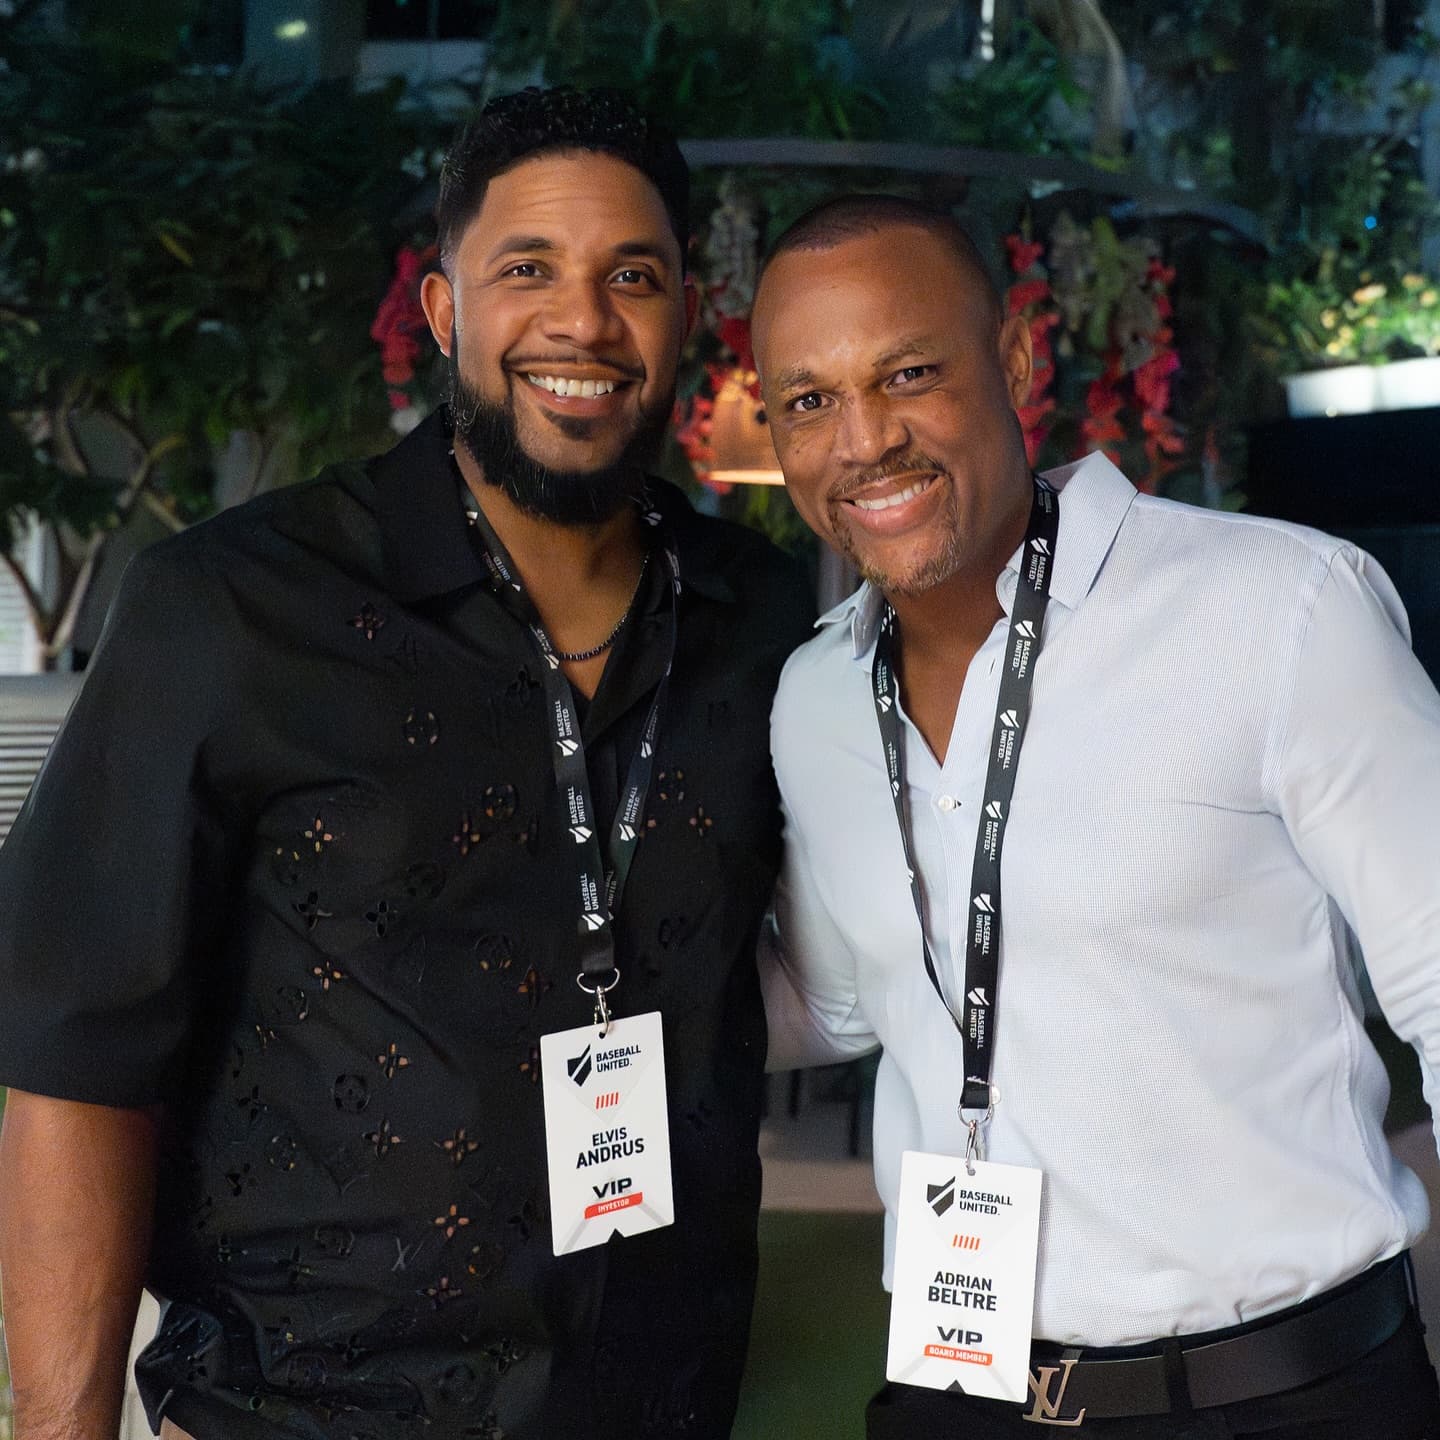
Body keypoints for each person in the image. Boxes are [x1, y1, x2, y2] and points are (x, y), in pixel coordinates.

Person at [0, 87, 811, 1440]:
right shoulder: (233, 610)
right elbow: (81, 1055)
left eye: (634, 276)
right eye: (528, 270)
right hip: (297, 1416)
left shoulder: (763, 621)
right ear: (444, 312)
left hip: (655, 1410)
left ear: (686, 318)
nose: (583, 322)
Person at [750, 193, 1440, 1438]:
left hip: (1276, 1398)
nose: (863, 440)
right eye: (809, 401)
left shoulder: (1282, 611)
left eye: (908, 373)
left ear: (1015, 359)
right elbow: (849, 1003)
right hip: (954, 1392)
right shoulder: (812, 700)